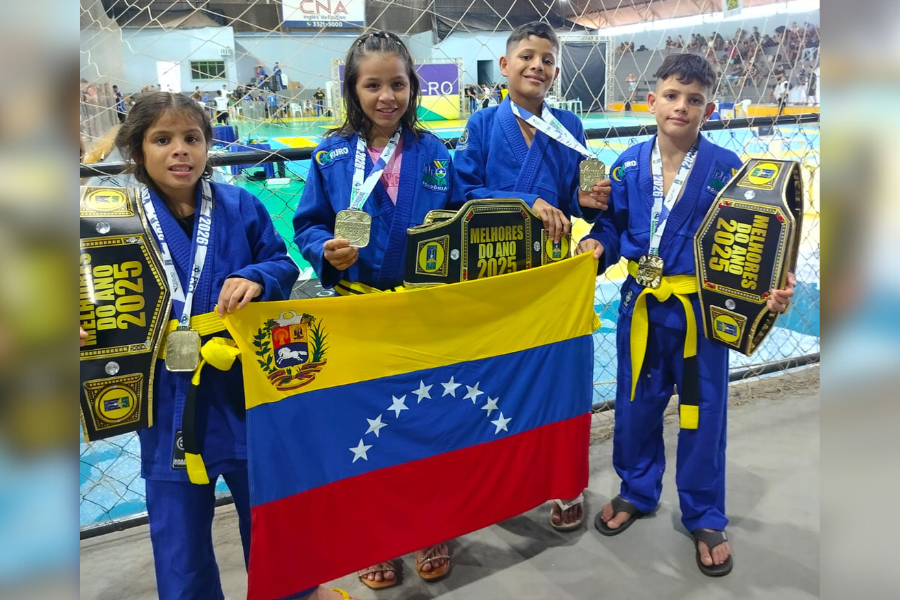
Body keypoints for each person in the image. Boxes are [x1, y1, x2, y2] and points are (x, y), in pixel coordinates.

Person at [111, 93, 353, 600]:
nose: (181, 151)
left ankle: (293, 592)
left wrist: (258, 277)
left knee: (269, 508)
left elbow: (283, 262)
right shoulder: (115, 220)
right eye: (163, 139)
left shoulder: (240, 203)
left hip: (245, 387)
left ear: (208, 146)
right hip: (166, 395)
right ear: (139, 152)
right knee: (178, 529)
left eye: (192, 138)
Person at [577, 53, 796, 577]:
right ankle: (637, 490)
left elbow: (755, 239)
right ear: (650, 101)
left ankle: (703, 513)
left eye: (694, 99)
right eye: (672, 95)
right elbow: (611, 226)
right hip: (642, 307)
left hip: (703, 312)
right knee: (635, 405)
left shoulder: (727, 168)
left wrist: (773, 289)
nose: (681, 106)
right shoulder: (627, 163)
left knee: (703, 414)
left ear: (709, 109)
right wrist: (595, 244)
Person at [293, 30, 465, 590]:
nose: (387, 96)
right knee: (365, 430)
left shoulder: (436, 152)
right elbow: (308, 223)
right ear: (352, 89)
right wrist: (324, 249)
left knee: (427, 423)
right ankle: (376, 537)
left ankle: (432, 528)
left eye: (398, 83)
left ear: (413, 87)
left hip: (423, 314)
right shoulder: (330, 155)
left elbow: (461, 217)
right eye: (373, 85)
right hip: (359, 314)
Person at [453, 20, 611, 532]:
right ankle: (498, 481)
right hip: (493, 275)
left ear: (557, 71)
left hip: (549, 276)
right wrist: (527, 200)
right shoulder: (481, 125)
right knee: (493, 380)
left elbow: (579, 195)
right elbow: (463, 194)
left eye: (546, 59)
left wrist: (593, 197)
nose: (535, 65)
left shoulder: (570, 125)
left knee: (557, 381)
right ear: (505, 65)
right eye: (526, 56)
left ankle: (565, 484)